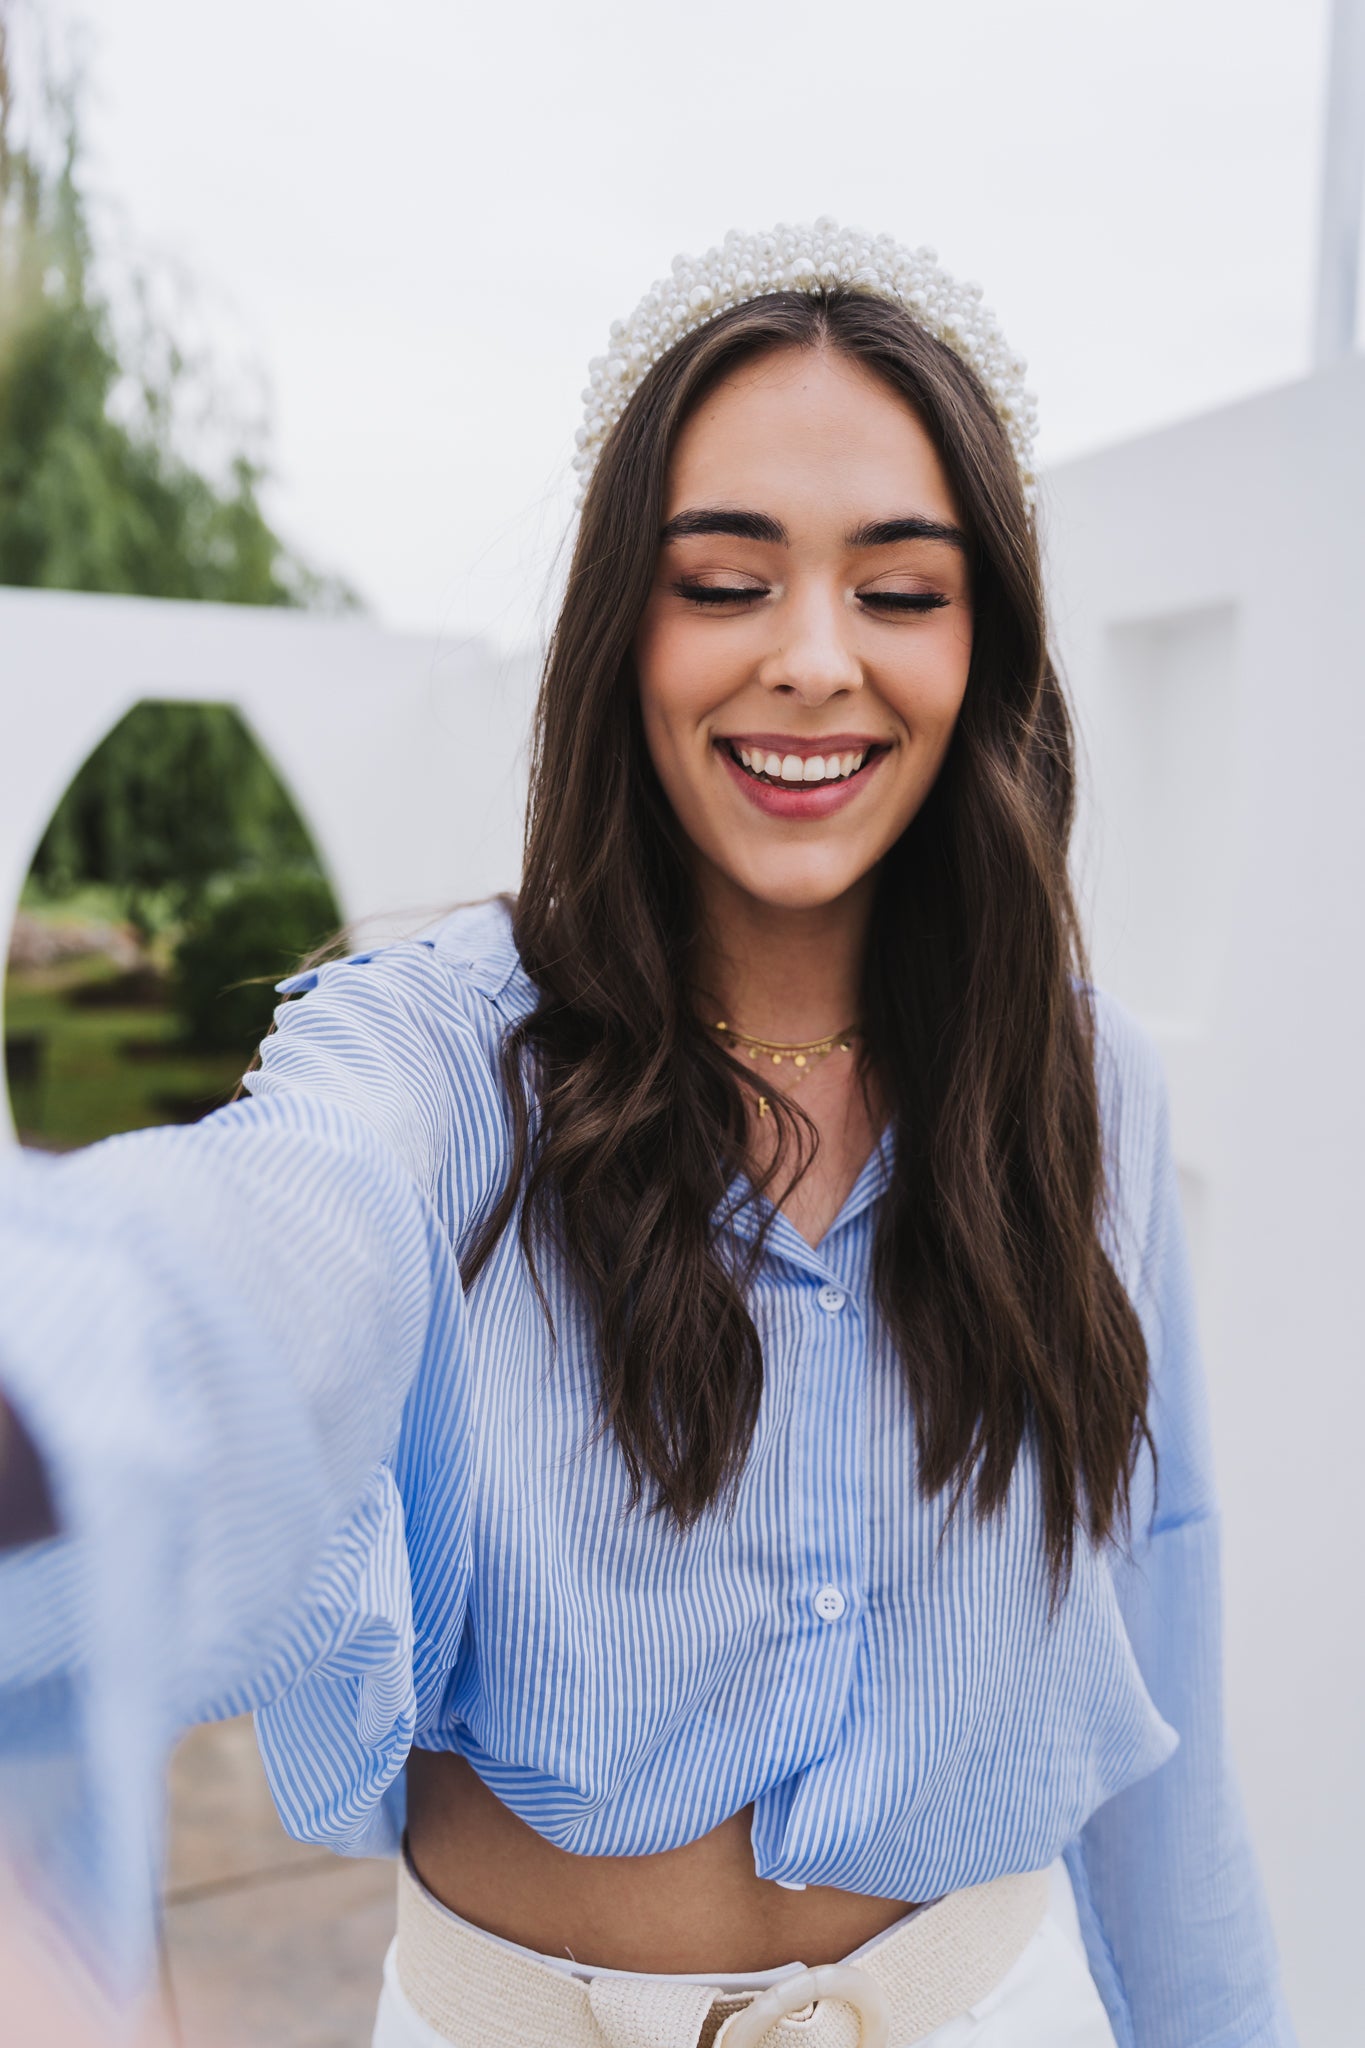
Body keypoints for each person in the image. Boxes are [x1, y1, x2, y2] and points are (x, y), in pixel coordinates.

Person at [0, 221, 1294, 2048]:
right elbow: (250, 1258)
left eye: (900, 590)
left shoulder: (1085, 1087)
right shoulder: (435, 1057)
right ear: (624, 625)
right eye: (725, 580)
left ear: (982, 644)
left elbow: (1159, 1623)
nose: (815, 660)